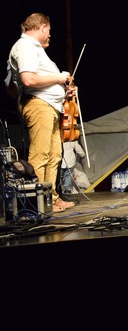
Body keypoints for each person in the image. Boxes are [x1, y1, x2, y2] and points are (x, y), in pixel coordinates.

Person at [8, 13, 76, 212]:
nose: (50, 35)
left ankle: (51, 198)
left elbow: (41, 79)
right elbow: (28, 79)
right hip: (39, 105)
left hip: (49, 105)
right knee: (41, 153)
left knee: (54, 154)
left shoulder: (35, 48)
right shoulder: (26, 46)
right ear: (43, 27)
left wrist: (64, 89)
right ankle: (38, 203)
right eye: (49, 30)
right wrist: (58, 78)